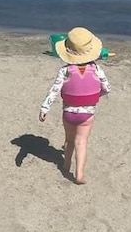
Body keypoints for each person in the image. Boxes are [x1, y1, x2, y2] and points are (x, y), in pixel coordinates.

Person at [39, 27, 111, 185]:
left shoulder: (65, 71)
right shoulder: (97, 69)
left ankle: (65, 164)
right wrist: (94, 96)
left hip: (69, 112)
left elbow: (54, 91)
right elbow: (107, 88)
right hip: (87, 113)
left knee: (69, 140)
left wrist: (44, 108)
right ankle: (79, 174)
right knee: (81, 141)